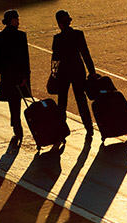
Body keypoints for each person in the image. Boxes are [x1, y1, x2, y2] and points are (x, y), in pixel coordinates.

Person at [51, 10, 98, 139]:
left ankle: (62, 130)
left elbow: (55, 59)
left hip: (63, 73)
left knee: (62, 102)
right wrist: (92, 71)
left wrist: (53, 74)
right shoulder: (78, 34)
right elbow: (85, 54)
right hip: (78, 70)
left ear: (60, 24)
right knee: (81, 100)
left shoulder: (57, 39)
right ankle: (89, 128)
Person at [0, 9, 30, 142]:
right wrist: (25, 76)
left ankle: (17, 129)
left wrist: (0, 70)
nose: (18, 21)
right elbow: (25, 59)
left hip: (8, 77)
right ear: (13, 20)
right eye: (17, 19)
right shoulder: (21, 36)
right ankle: (18, 129)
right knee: (17, 102)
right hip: (19, 76)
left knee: (12, 105)